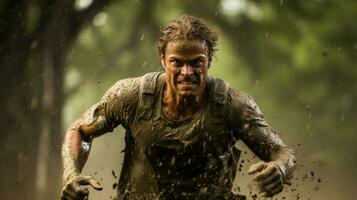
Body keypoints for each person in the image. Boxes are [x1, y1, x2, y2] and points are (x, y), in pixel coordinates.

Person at [61, 15, 296, 200]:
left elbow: (283, 153)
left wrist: (280, 168)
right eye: (178, 63)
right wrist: (71, 174)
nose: (187, 72)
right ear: (163, 60)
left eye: (196, 63)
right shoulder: (132, 96)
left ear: (209, 61)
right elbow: (79, 130)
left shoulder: (233, 106)